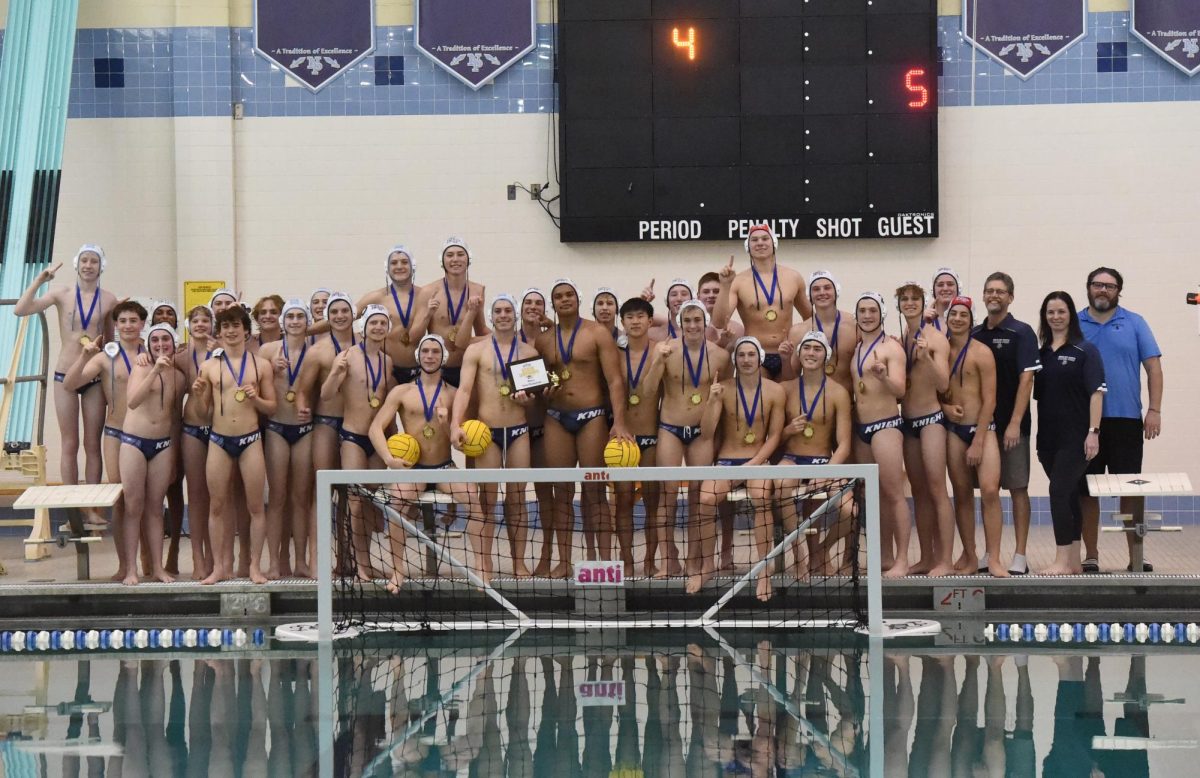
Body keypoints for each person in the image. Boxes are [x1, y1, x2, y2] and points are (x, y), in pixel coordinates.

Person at [534, 278, 633, 576]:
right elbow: (541, 381)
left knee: (595, 491)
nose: (565, 300)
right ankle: (564, 561)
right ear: (553, 305)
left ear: (578, 299)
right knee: (561, 491)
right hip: (556, 417)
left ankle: (604, 562)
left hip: (591, 416)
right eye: (559, 297)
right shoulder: (543, 340)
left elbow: (615, 380)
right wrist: (545, 392)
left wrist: (620, 422)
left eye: (570, 295)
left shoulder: (597, 333)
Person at [369, 334, 483, 589]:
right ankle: (398, 571)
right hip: (413, 468)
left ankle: (481, 570)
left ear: (442, 357)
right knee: (396, 504)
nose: (429, 356)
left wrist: (445, 426)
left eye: (434, 351)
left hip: (444, 466)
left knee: (475, 502)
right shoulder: (402, 391)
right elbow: (375, 427)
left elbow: (459, 442)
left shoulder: (454, 395)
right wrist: (389, 459)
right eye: (425, 351)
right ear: (418, 356)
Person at [13, 245, 117, 518]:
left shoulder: (108, 299)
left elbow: (110, 342)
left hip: (93, 376)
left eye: (94, 261)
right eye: (84, 260)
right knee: (69, 442)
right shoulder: (61, 294)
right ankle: (74, 509)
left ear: (101, 266)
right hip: (64, 374)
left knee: (92, 443)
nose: (88, 265)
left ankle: (92, 506)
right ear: (76, 264)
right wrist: (39, 280)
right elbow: (21, 310)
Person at [1078, 267, 1163, 573]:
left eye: (1110, 286)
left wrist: (1154, 410)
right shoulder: (1075, 323)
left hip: (1126, 419)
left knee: (1130, 489)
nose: (1103, 290)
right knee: (1087, 490)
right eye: (1098, 285)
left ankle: (1135, 555)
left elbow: (1153, 368)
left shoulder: (1135, 322)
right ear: (1088, 288)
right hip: (1086, 423)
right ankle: (1090, 555)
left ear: (1118, 291)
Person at [450, 295, 539, 576]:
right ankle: (484, 562)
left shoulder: (528, 353)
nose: (503, 315)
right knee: (486, 500)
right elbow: (464, 391)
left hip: (518, 430)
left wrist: (526, 400)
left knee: (517, 498)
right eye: (498, 311)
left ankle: (518, 562)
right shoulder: (477, 351)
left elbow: (533, 399)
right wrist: (456, 424)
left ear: (515, 316)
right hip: (486, 433)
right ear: (491, 316)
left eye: (508, 310)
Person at [62, 300, 147, 580]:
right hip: (116, 432)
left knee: (146, 502)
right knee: (121, 500)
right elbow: (69, 384)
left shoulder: (155, 351)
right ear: (116, 325)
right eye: (122, 321)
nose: (127, 326)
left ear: (142, 324)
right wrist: (85, 356)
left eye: (133, 320)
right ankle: (125, 565)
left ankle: (149, 563)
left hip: (148, 435)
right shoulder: (105, 357)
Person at [191, 304, 276, 584]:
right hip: (218, 440)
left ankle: (254, 566)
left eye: (235, 326)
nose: (230, 331)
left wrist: (256, 399)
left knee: (255, 507)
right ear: (219, 331)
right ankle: (218, 568)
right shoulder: (208, 366)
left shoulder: (260, 365)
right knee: (217, 506)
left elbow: (271, 408)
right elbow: (203, 414)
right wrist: (200, 395)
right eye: (225, 326)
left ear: (246, 331)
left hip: (250, 440)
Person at [696, 336, 785, 600]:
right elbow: (706, 432)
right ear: (735, 360)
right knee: (706, 499)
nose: (746, 360)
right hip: (727, 462)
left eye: (751, 355)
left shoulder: (774, 391)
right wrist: (712, 402)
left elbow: (775, 436)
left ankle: (763, 570)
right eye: (741, 355)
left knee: (761, 498)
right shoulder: (722, 388)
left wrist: (755, 463)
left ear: (759, 358)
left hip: (758, 460)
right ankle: (707, 565)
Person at [652, 299, 730, 577]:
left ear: (705, 322)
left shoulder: (720, 355)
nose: (693, 325)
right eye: (688, 321)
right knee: (668, 495)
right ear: (679, 323)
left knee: (699, 496)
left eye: (698, 320)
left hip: (702, 433)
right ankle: (668, 559)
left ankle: (696, 559)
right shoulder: (665, 350)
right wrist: (657, 362)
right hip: (670, 428)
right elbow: (649, 391)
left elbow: (725, 397)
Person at [972, 272, 1041, 575]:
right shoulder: (975, 334)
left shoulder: (1022, 332)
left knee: (1017, 488)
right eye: (989, 291)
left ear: (1010, 297)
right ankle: (990, 553)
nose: (994, 296)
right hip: (983, 428)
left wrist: (1014, 423)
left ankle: (1021, 554)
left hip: (1013, 426)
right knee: (988, 491)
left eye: (1000, 291)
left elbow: (1027, 380)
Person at [1034, 291, 1105, 575]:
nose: (1056, 317)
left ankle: (1062, 560)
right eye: (1050, 312)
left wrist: (1093, 432)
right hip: (1047, 439)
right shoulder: (1041, 355)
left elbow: (1096, 394)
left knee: (1058, 492)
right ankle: (1074, 560)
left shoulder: (1085, 350)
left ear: (1071, 315)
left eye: (1061, 311)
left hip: (1076, 437)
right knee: (1070, 494)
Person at [321, 304, 395, 581]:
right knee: (354, 501)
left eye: (382, 323)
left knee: (369, 502)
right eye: (373, 323)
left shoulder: (386, 362)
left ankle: (363, 560)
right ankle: (358, 563)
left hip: (376, 440)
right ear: (363, 327)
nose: (377, 327)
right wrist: (334, 374)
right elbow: (326, 395)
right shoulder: (347, 356)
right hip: (352, 436)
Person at [775, 331, 852, 578]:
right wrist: (787, 430)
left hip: (823, 461)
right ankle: (799, 554)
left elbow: (844, 444)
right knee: (780, 486)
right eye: (806, 348)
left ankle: (821, 549)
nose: (811, 353)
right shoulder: (785, 389)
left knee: (851, 512)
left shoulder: (838, 392)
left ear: (826, 356)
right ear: (799, 354)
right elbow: (773, 438)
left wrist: (826, 472)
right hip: (792, 459)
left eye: (817, 349)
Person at [942, 296, 1007, 577]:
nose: (957, 319)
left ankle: (993, 558)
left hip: (982, 429)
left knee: (990, 491)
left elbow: (990, 399)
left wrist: (979, 440)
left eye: (963, 315)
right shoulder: (940, 351)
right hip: (953, 432)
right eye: (953, 314)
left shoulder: (982, 352)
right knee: (962, 494)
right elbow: (929, 391)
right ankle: (969, 555)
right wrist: (945, 407)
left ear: (971, 321)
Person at [849, 292, 910, 578]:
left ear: (881, 313)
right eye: (862, 310)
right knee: (870, 496)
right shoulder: (858, 347)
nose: (867, 315)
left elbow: (900, 390)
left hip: (885, 425)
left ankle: (903, 559)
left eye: (872, 310)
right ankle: (884, 555)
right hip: (861, 428)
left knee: (894, 493)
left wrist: (884, 375)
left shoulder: (892, 349)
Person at [119, 323, 186, 585]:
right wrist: (154, 370)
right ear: (148, 344)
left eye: (165, 340)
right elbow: (133, 400)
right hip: (134, 442)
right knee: (133, 507)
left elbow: (173, 417)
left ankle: (158, 568)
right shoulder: (142, 366)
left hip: (162, 446)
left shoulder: (178, 377)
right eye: (155, 340)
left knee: (156, 509)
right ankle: (131, 570)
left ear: (174, 343)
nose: (160, 344)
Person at [895, 282, 955, 577]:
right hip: (907, 423)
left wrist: (928, 358)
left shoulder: (935, 338)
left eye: (914, 299)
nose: (909, 303)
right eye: (904, 299)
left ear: (923, 302)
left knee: (936, 489)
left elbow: (943, 384)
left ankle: (946, 560)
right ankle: (927, 557)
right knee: (918, 492)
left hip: (931, 421)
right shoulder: (904, 337)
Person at [299, 292, 356, 573]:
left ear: (353, 314)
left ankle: (348, 559)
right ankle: (317, 560)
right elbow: (303, 389)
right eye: (334, 312)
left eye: (345, 310)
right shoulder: (318, 351)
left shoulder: (366, 346)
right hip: (325, 423)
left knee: (351, 496)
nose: (340, 316)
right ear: (327, 317)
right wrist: (302, 408)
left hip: (355, 428)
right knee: (323, 492)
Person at [260, 298, 316, 578]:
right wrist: (269, 364)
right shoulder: (267, 350)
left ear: (308, 323)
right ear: (283, 322)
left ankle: (301, 561)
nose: (295, 321)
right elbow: (250, 377)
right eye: (290, 316)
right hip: (276, 428)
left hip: (304, 429)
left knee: (301, 497)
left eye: (300, 317)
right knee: (278, 497)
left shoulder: (315, 352)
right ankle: (274, 561)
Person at [711, 224, 811, 379]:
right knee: (760, 401)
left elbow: (810, 318)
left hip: (787, 353)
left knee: (788, 400)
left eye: (765, 238)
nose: (760, 243)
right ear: (748, 247)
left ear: (774, 243)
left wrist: (802, 344)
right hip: (755, 353)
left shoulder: (793, 277)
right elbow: (718, 322)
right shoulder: (738, 281)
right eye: (754, 240)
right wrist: (725, 285)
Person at [614, 297, 666, 576]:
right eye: (629, 317)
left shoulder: (661, 351)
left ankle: (650, 559)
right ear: (622, 323)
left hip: (651, 436)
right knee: (622, 501)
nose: (635, 321)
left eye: (640, 316)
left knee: (652, 502)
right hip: (623, 439)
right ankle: (627, 560)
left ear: (650, 320)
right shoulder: (614, 354)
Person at [412, 237, 488, 387]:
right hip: (437, 367)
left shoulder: (477, 290)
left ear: (468, 258)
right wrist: (428, 314)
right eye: (450, 255)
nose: (455, 259)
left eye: (460, 254)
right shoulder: (428, 291)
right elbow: (414, 337)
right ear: (442, 260)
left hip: (466, 365)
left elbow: (481, 330)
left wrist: (507, 337)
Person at [179, 304, 216, 579]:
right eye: (196, 321)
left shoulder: (222, 352)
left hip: (217, 429)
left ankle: (215, 557)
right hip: (192, 429)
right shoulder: (181, 356)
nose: (201, 324)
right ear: (188, 325)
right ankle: (197, 558)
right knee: (196, 495)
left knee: (217, 497)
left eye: (205, 320)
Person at [353, 246, 422, 384]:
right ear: (387, 267)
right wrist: (307, 331)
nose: (399, 266)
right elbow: (343, 318)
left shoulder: (423, 296)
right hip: (386, 369)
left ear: (412, 265)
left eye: (404, 262)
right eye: (394, 263)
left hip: (418, 370)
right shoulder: (376, 297)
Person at [781, 270, 857, 391]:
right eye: (816, 289)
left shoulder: (855, 326)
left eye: (827, 288)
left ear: (836, 291)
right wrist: (785, 360)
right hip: (812, 404)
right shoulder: (798, 331)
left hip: (847, 403)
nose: (822, 293)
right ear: (809, 295)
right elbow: (791, 378)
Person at [695, 272, 742, 349]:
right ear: (698, 296)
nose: (711, 295)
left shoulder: (737, 329)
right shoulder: (692, 328)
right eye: (706, 292)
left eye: (716, 291)